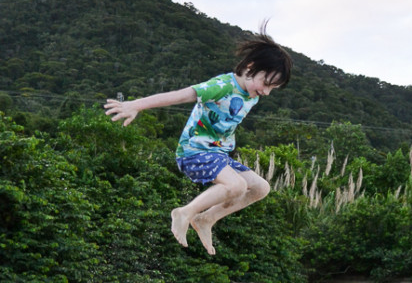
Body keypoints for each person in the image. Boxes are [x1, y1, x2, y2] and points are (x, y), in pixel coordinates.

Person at [103, 24, 292, 255]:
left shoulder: (252, 96)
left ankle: (206, 219)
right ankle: (184, 212)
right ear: (251, 67)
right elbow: (182, 95)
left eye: (273, 88)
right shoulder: (221, 86)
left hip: (217, 154)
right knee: (236, 185)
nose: (266, 92)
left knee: (260, 188)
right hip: (194, 151)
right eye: (266, 83)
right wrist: (136, 105)